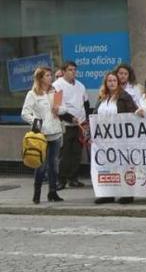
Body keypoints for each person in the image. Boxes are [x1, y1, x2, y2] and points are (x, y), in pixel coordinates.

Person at [21, 66, 64, 204]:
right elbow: (24, 113)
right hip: (41, 136)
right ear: (40, 78)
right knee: (41, 166)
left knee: (54, 165)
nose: (50, 77)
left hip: (56, 133)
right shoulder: (32, 94)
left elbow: (62, 108)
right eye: (47, 75)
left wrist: (60, 109)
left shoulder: (55, 91)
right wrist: (37, 124)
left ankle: (53, 192)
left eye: (51, 75)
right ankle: (37, 193)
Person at [94, 71, 138, 204]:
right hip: (104, 139)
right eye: (109, 81)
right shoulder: (102, 97)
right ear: (106, 83)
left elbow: (132, 111)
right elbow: (95, 115)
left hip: (121, 138)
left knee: (123, 165)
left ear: (118, 83)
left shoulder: (124, 96)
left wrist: (138, 112)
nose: (112, 83)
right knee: (106, 166)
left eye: (114, 80)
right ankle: (107, 194)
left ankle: (127, 194)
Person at [52, 61, 90, 191]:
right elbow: (56, 107)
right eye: (70, 70)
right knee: (65, 154)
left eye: (74, 70)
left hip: (80, 123)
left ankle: (73, 178)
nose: (73, 72)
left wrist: (86, 120)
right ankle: (61, 180)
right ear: (63, 71)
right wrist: (69, 117)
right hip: (66, 124)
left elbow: (86, 103)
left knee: (77, 153)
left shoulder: (80, 86)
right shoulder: (57, 86)